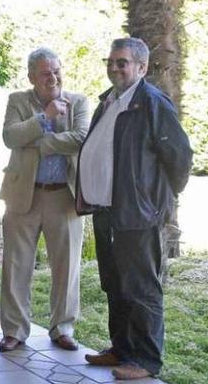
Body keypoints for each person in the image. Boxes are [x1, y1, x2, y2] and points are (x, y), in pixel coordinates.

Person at [78, 38, 192, 380]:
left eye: (122, 62)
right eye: (110, 61)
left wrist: (156, 200)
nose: (114, 68)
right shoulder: (109, 100)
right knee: (115, 283)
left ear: (141, 67)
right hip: (106, 210)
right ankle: (121, 349)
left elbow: (180, 158)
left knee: (141, 288)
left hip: (137, 215)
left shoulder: (152, 103)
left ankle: (146, 360)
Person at [0, 48, 89, 353]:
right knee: (15, 266)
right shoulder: (18, 101)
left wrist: (40, 144)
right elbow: (11, 137)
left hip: (65, 195)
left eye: (56, 70)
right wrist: (44, 118)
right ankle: (14, 330)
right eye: (45, 72)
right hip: (24, 193)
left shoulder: (78, 102)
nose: (53, 77)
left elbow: (81, 138)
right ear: (31, 77)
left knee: (67, 267)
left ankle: (63, 327)